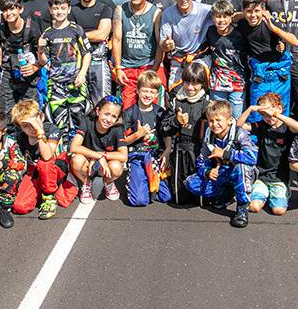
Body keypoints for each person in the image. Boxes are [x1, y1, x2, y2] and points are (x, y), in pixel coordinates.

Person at [183, 100, 259, 228]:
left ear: (229, 120)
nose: (214, 124)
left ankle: (242, 208)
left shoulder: (240, 134)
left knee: (241, 167)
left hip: (241, 172)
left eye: (219, 120)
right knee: (190, 182)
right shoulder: (209, 136)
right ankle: (227, 193)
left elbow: (252, 157)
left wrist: (225, 154)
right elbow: (201, 161)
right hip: (222, 171)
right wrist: (207, 171)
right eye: (211, 121)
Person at [238, 0, 298, 119]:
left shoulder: (270, 22)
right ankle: (256, 137)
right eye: (249, 11)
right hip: (259, 73)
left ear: (263, 10)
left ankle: (281, 138)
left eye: (257, 11)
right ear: (243, 11)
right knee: (257, 112)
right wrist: (241, 15)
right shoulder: (242, 23)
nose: (253, 15)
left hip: (279, 73)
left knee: (279, 111)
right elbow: (231, 17)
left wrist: (274, 28)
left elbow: (295, 41)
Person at [238, 93, 298, 216]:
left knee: (279, 211)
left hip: (279, 177)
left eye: (270, 114)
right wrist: (250, 109)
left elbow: (297, 127)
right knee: (254, 207)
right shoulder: (261, 126)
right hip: (262, 175)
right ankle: (263, 193)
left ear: (279, 108)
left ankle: (279, 194)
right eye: (264, 115)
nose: (268, 117)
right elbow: (239, 125)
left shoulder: (286, 127)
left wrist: (276, 114)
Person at [10, 99, 73, 220]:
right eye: (26, 126)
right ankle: (39, 192)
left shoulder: (52, 129)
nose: (31, 128)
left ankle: (49, 197)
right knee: (20, 207)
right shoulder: (20, 137)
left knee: (44, 163)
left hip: (55, 169)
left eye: (33, 122)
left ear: (42, 117)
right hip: (35, 172)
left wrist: (39, 133)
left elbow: (47, 155)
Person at [38, 0, 91, 135]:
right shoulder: (47, 33)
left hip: (76, 83)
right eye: (55, 8)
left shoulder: (76, 30)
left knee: (80, 119)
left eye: (62, 8)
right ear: (50, 10)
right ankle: (61, 150)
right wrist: (40, 49)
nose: (59, 12)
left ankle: (78, 150)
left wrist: (82, 74)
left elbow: (87, 54)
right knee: (58, 121)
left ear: (68, 9)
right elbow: (43, 61)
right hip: (55, 85)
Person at [160, 62, 211, 204]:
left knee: (200, 200)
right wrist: (176, 121)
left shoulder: (207, 103)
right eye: (187, 82)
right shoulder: (176, 101)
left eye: (195, 83)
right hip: (179, 149)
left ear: (203, 84)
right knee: (179, 199)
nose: (190, 87)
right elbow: (164, 128)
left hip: (199, 150)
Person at [112, 0, 164, 109]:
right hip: (127, 67)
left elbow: (160, 44)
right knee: (127, 109)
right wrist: (118, 68)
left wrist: (154, 70)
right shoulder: (120, 9)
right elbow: (116, 40)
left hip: (148, 65)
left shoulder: (155, 12)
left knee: (152, 108)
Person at [123, 71, 169, 207]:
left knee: (166, 197)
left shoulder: (160, 111)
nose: (148, 95)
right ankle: (136, 180)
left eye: (152, 92)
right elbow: (121, 141)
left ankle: (148, 182)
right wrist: (138, 134)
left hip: (155, 156)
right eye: (145, 91)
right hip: (137, 155)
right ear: (137, 90)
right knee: (139, 201)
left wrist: (167, 150)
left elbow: (168, 134)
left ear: (156, 94)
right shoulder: (130, 112)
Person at [70, 97, 128, 204]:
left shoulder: (118, 128)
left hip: (105, 165)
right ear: (98, 111)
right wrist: (97, 157)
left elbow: (124, 156)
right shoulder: (87, 121)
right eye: (106, 114)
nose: (109, 119)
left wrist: (101, 155)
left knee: (117, 167)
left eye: (114, 116)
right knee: (76, 160)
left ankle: (108, 182)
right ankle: (86, 183)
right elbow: (74, 147)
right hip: (87, 163)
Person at [158, 0, 212, 90]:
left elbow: (225, 15)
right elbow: (163, 42)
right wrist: (167, 45)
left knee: (198, 90)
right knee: (174, 91)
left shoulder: (205, 10)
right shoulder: (168, 13)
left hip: (199, 58)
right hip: (178, 58)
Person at [70, 0, 115, 105]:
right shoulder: (72, 10)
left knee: (102, 102)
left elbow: (101, 35)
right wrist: (90, 34)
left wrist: (79, 33)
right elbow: (68, 35)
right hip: (77, 60)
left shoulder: (104, 8)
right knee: (78, 102)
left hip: (99, 60)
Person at [0, 0, 42, 111]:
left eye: (12, 9)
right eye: (5, 10)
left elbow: (43, 56)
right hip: (8, 74)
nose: (8, 13)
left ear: (20, 9)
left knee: (30, 112)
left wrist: (35, 67)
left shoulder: (33, 29)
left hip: (29, 74)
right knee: (6, 110)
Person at [200, 0, 248, 117]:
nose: (221, 20)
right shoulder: (210, 31)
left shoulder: (239, 34)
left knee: (236, 117)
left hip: (237, 83)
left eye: (225, 17)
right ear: (212, 17)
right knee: (217, 116)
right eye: (218, 17)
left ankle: (235, 136)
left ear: (231, 17)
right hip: (217, 82)